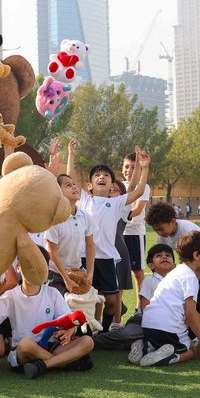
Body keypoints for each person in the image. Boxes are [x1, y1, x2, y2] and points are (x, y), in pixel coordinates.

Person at [67, 140, 152, 331]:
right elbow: (71, 177)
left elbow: (138, 190)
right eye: (97, 175)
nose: (102, 177)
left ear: (112, 184)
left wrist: (144, 168)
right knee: (81, 298)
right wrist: (71, 156)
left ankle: (104, 329)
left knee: (112, 301)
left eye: (106, 175)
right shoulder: (85, 200)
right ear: (89, 185)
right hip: (84, 257)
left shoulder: (117, 203)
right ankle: (83, 331)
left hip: (106, 258)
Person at [135, 231, 200, 367]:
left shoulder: (176, 271)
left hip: (148, 328)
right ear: (197, 255)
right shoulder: (190, 277)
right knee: (192, 349)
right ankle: (171, 358)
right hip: (168, 330)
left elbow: (190, 312)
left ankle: (146, 349)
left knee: (169, 342)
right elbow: (190, 314)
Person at [0, 275, 95, 379]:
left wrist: (68, 332)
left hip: (52, 346)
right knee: (25, 345)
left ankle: (43, 365)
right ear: (19, 267)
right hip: (27, 351)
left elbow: (69, 319)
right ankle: (63, 362)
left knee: (88, 341)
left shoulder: (52, 292)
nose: (34, 271)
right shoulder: (11, 295)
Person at [91, 242, 175, 353]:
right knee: (125, 335)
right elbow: (145, 308)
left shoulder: (177, 281)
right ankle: (93, 340)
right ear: (151, 266)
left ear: (174, 264)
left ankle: (141, 344)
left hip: (171, 322)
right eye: (159, 256)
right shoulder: (150, 281)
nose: (164, 257)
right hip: (144, 320)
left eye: (168, 255)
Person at [147, 202, 200, 315]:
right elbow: (160, 250)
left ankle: (197, 321)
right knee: (184, 290)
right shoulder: (163, 236)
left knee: (198, 288)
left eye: (161, 229)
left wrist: (194, 273)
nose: (159, 233)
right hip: (186, 260)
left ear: (173, 221)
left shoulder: (188, 231)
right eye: (156, 230)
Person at [45, 174, 94, 295]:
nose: (74, 187)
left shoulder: (86, 217)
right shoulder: (54, 220)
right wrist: (66, 278)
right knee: (58, 313)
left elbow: (90, 246)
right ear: (58, 192)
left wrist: (90, 274)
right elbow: (52, 252)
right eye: (68, 185)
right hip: (55, 274)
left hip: (77, 272)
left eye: (74, 184)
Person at [120, 151, 152, 308]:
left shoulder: (143, 186)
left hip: (135, 234)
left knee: (138, 273)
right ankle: (118, 308)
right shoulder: (118, 186)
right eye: (126, 167)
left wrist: (119, 218)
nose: (129, 170)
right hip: (119, 235)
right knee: (119, 272)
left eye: (133, 167)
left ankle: (140, 308)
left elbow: (138, 209)